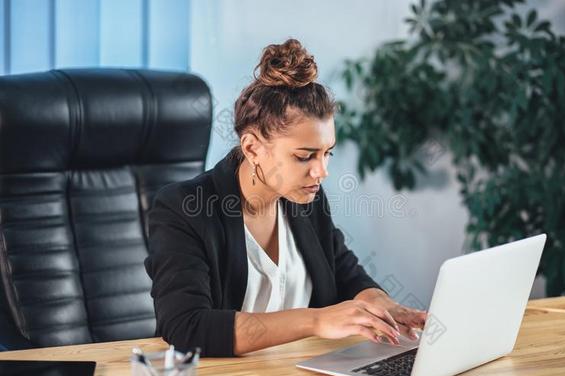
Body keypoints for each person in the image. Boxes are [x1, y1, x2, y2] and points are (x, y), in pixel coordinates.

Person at [144, 38, 426, 357]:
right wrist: (315, 321)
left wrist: (376, 300)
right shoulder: (183, 209)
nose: (321, 171)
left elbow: (345, 273)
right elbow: (187, 327)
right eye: (305, 156)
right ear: (252, 148)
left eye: (327, 153)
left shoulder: (307, 199)